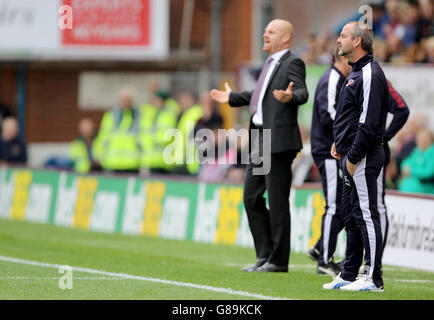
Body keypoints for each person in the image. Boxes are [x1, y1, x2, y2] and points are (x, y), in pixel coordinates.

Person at [210, 19, 309, 272]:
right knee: (251, 197)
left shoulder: (292, 62)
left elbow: (302, 92)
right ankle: (265, 255)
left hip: (278, 142)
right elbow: (259, 97)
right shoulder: (270, 63)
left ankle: (278, 260)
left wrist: (291, 96)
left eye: (271, 31)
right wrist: (232, 97)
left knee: (277, 202)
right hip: (261, 141)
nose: (265, 34)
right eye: (265, 30)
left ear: (285, 38)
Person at [324, 21, 389, 292]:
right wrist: (338, 143)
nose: (338, 40)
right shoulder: (355, 73)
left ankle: (373, 277)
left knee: (366, 213)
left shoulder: (371, 73)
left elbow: (368, 122)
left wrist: (352, 155)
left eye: (343, 35)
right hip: (348, 154)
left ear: (357, 42)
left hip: (361, 156)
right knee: (351, 215)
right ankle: (349, 273)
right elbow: (349, 116)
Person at [307, 46, 352, 276]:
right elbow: (329, 115)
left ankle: (320, 248)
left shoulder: (334, 78)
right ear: (343, 60)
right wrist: (350, 133)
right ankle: (324, 260)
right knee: (335, 205)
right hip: (328, 151)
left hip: (329, 150)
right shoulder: (332, 79)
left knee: (342, 204)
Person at [93, 86, 141, 174]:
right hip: (112, 163)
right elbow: (103, 137)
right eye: (124, 99)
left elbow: (142, 138)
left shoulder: (138, 116)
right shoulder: (111, 115)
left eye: (128, 99)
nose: (126, 102)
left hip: (132, 163)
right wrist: (99, 156)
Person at [399, 128, 434, 194]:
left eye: (424, 138)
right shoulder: (417, 151)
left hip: (425, 193)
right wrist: (406, 168)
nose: (420, 140)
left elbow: (428, 172)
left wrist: (411, 171)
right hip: (406, 191)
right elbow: (406, 163)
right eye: (419, 138)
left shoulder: (432, 152)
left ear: (430, 139)